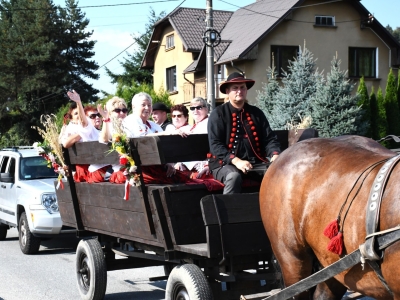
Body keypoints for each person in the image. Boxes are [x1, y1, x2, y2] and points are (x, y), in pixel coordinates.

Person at [208, 72, 281, 194]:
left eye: (242, 87)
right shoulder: (218, 114)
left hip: (254, 164)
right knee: (234, 177)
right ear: (227, 91)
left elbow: (269, 139)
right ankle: (231, 211)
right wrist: (236, 161)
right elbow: (215, 145)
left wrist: (275, 155)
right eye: (235, 88)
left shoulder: (256, 113)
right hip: (224, 165)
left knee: (278, 173)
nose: (239, 91)